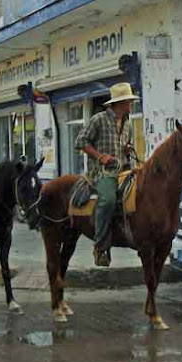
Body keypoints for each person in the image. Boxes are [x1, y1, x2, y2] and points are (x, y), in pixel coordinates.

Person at [75, 82, 138, 267]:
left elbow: (125, 147)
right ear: (118, 103)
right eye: (128, 101)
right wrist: (100, 156)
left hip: (124, 169)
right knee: (108, 200)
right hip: (102, 172)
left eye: (130, 101)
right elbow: (80, 142)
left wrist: (127, 149)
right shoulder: (98, 119)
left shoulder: (128, 124)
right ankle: (100, 246)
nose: (130, 105)